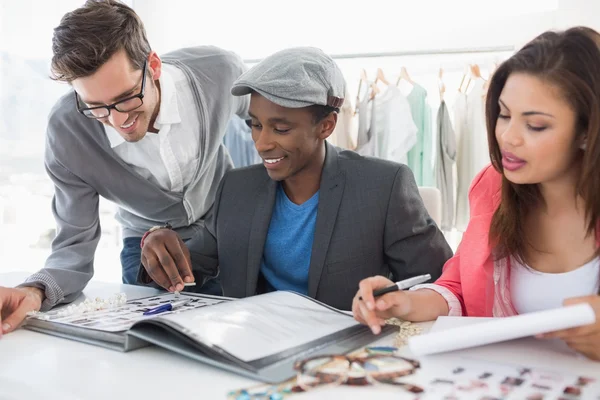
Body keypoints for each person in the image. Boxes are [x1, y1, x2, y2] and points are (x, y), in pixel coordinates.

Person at [0, 0, 248, 336]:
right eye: (96, 108)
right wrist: (35, 290)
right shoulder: (67, 133)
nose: (118, 121)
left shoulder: (218, 73)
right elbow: (74, 244)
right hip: (147, 251)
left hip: (229, 228)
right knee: (154, 349)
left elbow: (275, 128)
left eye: (127, 97)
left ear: (154, 66)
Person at [138, 47, 453, 310]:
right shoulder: (237, 187)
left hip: (345, 358)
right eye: (256, 125)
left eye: (281, 128)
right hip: (255, 351)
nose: (261, 143)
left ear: (326, 126)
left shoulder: (383, 186)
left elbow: (441, 286)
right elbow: (188, 269)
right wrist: (157, 247)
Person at [353, 27, 600, 361]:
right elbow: (459, 286)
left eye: (535, 125)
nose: (508, 137)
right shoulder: (492, 188)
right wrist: (405, 303)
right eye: (504, 114)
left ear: (587, 131)